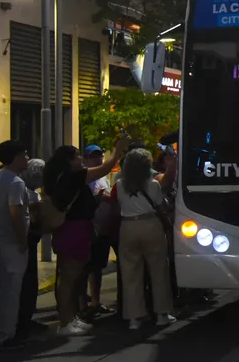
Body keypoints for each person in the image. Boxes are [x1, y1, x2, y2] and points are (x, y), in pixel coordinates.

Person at [43, 138, 127, 337]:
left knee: (72, 277)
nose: (80, 158)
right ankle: (65, 322)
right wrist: (117, 153)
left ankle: (71, 317)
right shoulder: (73, 175)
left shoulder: (59, 176)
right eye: (77, 156)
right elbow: (104, 168)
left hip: (70, 229)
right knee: (70, 279)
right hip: (74, 230)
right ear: (69, 160)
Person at [116, 148, 177, 329]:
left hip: (127, 226)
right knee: (158, 270)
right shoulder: (153, 185)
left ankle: (134, 317)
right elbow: (159, 204)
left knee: (130, 273)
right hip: (150, 224)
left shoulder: (119, 184)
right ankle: (161, 314)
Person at [0, 140, 33, 349]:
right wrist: (22, 241)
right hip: (10, 243)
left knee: (4, 287)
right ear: (14, 157)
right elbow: (16, 213)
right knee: (11, 291)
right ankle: (4, 335)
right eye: (24, 154)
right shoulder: (15, 182)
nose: (27, 158)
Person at [83, 145, 115, 320]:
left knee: (97, 268)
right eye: (94, 157)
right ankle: (82, 305)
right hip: (89, 229)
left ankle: (95, 302)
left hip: (103, 228)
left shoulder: (103, 178)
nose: (98, 159)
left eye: (100, 156)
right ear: (85, 159)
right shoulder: (85, 178)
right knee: (86, 267)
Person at [17, 158, 48, 337]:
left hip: (29, 241)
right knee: (26, 282)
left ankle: (26, 318)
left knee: (29, 281)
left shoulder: (31, 192)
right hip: (25, 242)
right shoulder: (24, 191)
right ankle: (22, 321)